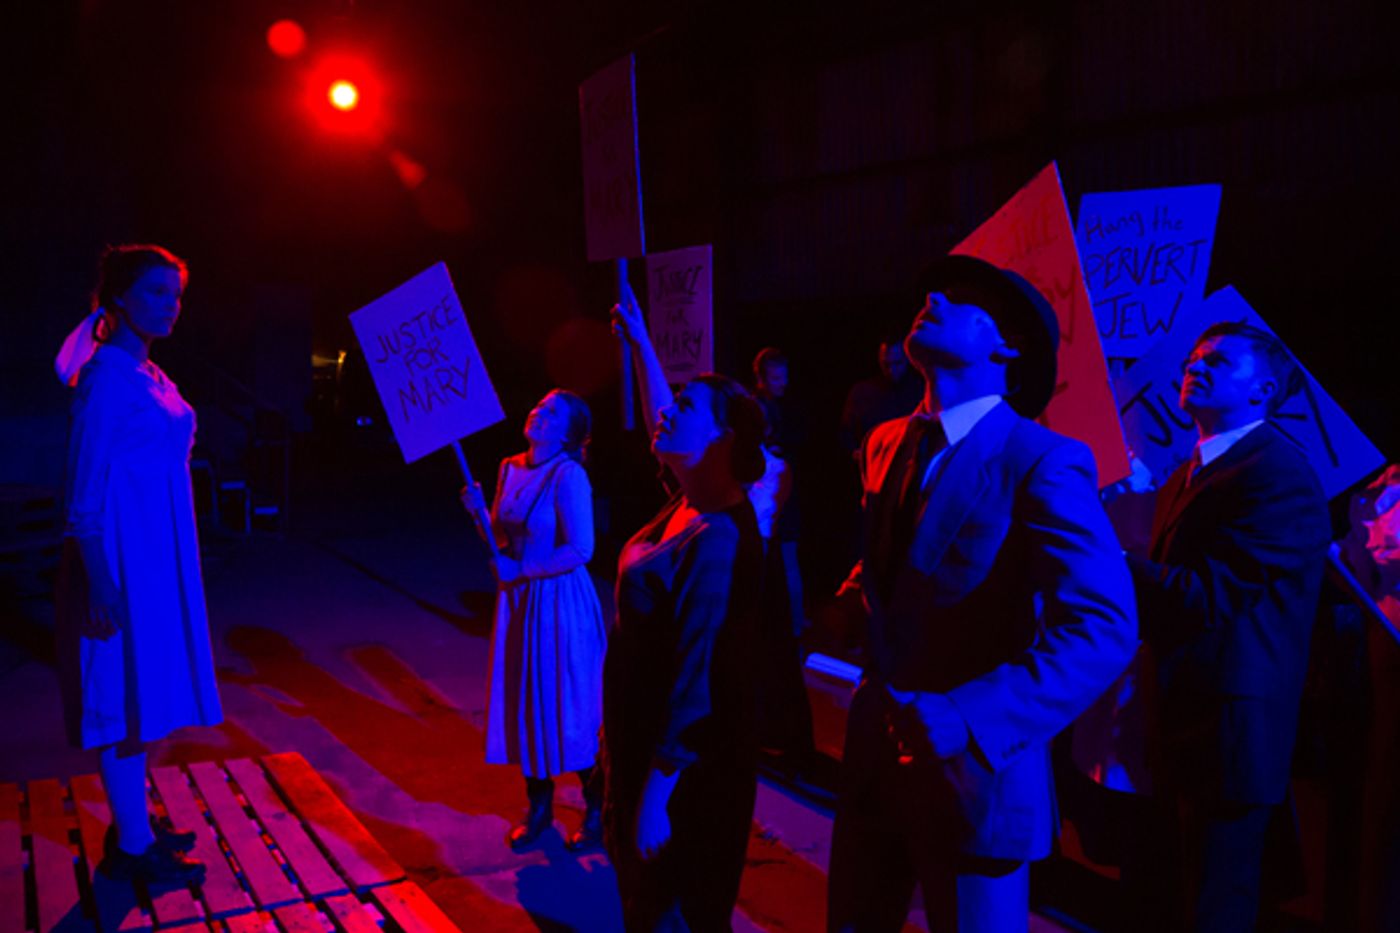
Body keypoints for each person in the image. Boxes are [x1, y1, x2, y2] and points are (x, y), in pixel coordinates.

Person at [828, 255, 1137, 932]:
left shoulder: (1041, 457)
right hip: (874, 762)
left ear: (1006, 347)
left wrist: (968, 715)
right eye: (933, 289)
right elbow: (900, 561)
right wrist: (850, 602)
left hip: (975, 776)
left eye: (962, 300)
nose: (931, 295)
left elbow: (1104, 624)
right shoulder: (885, 442)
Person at [1129, 321, 1330, 932]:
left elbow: (1205, 596)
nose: (1197, 365)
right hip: (1183, 721)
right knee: (1176, 899)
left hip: (1230, 734)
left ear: (1263, 389)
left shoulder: (1276, 474)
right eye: (1193, 358)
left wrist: (1103, 556)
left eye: (1218, 360)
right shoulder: (1189, 472)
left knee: (1217, 906)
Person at [53, 244, 222, 885]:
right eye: (156, 292)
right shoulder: (107, 379)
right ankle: (130, 848)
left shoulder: (150, 375)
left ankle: (138, 825)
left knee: (143, 693)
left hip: (155, 555)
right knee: (118, 698)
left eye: (176, 295)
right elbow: (83, 491)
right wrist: (100, 580)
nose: (171, 306)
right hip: (120, 558)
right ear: (120, 298)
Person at [607, 294, 766, 929]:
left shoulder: (719, 539)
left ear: (723, 439)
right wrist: (642, 343)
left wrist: (653, 798)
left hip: (686, 780)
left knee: (669, 915)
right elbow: (658, 421)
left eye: (687, 408)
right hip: (641, 746)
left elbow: (695, 684)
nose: (667, 415)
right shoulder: (691, 500)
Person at [460, 390, 607, 852]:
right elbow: (505, 540)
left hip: (560, 606)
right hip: (520, 605)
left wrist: (520, 570)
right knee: (526, 703)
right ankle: (539, 808)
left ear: (569, 432)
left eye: (552, 413)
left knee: (567, 706)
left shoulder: (568, 475)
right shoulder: (509, 466)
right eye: (538, 406)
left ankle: (598, 807)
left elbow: (582, 549)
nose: (539, 413)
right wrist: (480, 516)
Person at [838, 338, 922, 456]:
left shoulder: (922, 390)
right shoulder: (862, 392)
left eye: (897, 363)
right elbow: (846, 433)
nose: (892, 370)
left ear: (908, 359)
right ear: (879, 360)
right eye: (886, 364)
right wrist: (856, 453)